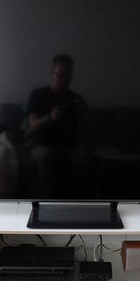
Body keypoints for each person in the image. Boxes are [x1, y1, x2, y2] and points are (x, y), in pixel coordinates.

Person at [26, 54, 88, 196]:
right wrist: (51, 118)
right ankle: (47, 204)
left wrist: (81, 115)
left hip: (70, 148)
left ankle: (79, 205)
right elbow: (33, 126)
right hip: (42, 146)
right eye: (60, 75)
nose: (64, 80)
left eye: (68, 76)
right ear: (52, 73)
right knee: (50, 157)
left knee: (82, 158)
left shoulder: (76, 99)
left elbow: (90, 130)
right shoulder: (38, 95)